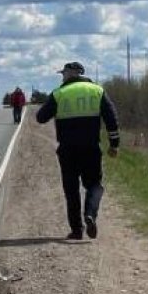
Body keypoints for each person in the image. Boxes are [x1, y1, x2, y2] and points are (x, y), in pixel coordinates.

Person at [36, 62, 120, 240]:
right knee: (94, 185)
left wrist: (54, 106)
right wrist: (114, 144)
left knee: (71, 189)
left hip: (67, 149)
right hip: (91, 147)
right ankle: (90, 214)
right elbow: (111, 118)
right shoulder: (97, 91)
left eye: (63, 73)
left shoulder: (60, 93)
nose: (62, 77)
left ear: (71, 73)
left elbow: (41, 118)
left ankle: (76, 230)